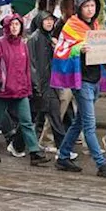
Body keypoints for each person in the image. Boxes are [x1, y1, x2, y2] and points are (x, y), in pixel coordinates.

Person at [51, 0, 106, 178]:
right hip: (82, 83)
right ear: (79, 8)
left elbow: (102, 52)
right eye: (86, 6)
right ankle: (101, 164)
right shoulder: (71, 26)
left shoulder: (96, 26)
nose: (90, 9)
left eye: (93, 6)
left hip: (95, 80)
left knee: (79, 121)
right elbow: (60, 50)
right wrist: (77, 48)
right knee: (89, 125)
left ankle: (63, 157)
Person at [0, 13, 52, 167]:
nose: (14, 27)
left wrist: (28, 87)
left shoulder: (23, 44)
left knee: (27, 122)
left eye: (17, 24)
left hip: (20, 90)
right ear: (7, 26)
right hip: (3, 91)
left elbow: (27, 68)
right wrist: (1, 81)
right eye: (12, 24)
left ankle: (34, 152)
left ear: (21, 27)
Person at [29, 11, 66, 153]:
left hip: (50, 84)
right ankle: (64, 150)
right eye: (46, 20)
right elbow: (32, 65)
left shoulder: (50, 38)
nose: (50, 22)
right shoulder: (35, 38)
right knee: (33, 118)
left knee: (53, 116)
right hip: (40, 85)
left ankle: (63, 149)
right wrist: (36, 86)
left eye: (51, 20)